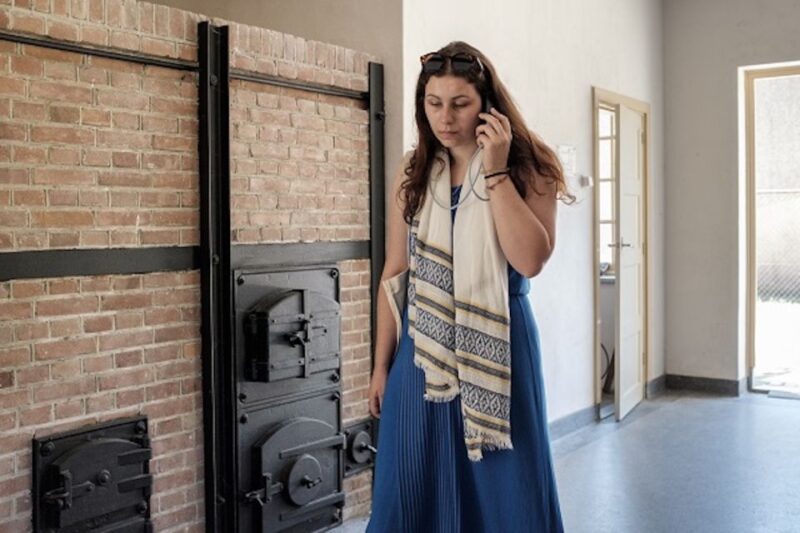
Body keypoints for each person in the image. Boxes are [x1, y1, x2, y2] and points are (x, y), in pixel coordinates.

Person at [365, 40, 574, 533]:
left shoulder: (532, 166)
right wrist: (380, 366)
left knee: (506, 486)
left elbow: (530, 260)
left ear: (487, 104)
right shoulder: (413, 171)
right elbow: (395, 273)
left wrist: (496, 169)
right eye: (433, 103)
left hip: (500, 343)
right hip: (423, 349)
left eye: (460, 103)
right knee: (410, 480)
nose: (446, 117)